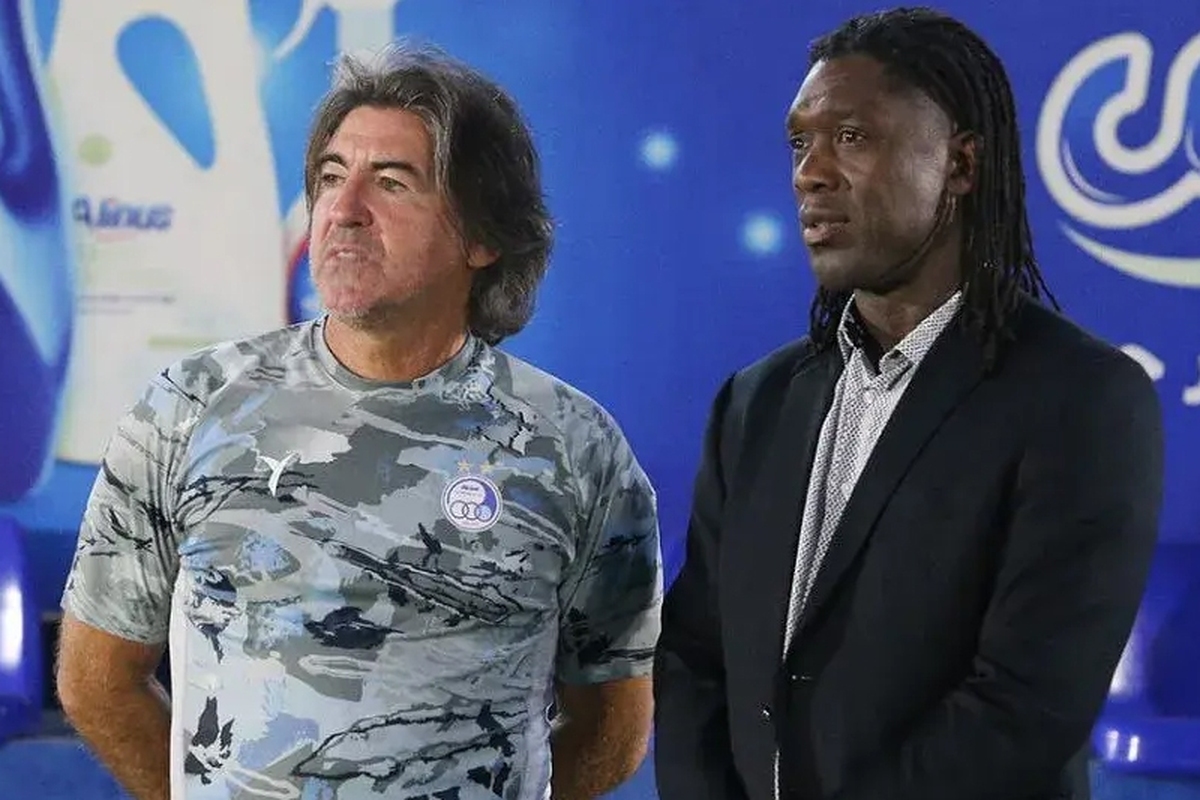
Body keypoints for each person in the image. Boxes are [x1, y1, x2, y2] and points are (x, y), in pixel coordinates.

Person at [56, 45, 661, 800]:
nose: (343, 211)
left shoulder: (575, 448)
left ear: (483, 237)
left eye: (392, 182)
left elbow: (613, 724)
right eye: (331, 177)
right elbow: (97, 681)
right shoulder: (188, 407)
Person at [653, 8, 1164, 800]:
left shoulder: (1083, 400)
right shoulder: (756, 402)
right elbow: (695, 656)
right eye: (800, 143)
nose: (810, 173)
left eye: (851, 137)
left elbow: (1023, 708)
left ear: (960, 165)